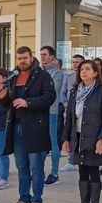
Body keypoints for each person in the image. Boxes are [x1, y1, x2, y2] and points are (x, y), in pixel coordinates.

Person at [0, 46, 56, 203]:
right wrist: (1, 98)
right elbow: (9, 103)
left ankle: (37, 201)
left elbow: (50, 97)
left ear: (31, 58)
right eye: (19, 58)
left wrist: (28, 103)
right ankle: (24, 199)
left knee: (36, 167)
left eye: (25, 58)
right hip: (15, 127)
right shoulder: (12, 77)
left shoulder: (42, 76)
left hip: (34, 128)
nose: (22, 61)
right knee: (22, 167)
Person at [62, 60, 102, 203]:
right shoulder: (74, 91)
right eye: (81, 69)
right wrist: (65, 138)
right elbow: (69, 118)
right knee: (82, 173)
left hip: (94, 138)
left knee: (93, 173)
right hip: (78, 137)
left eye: (87, 69)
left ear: (95, 73)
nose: (83, 72)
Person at [40, 45, 64, 187]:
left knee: (53, 142)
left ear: (52, 57)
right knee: (40, 143)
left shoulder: (57, 73)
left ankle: (54, 173)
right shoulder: (37, 72)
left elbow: (52, 92)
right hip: (37, 113)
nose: (42, 56)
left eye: (45, 54)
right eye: (41, 54)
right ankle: (39, 171)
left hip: (51, 112)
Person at [59, 54, 85, 173]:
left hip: (84, 113)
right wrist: (65, 104)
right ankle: (71, 161)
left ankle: (83, 160)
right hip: (70, 112)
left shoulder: (86, 77)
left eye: (77, 62)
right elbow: (63, 93)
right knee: (70, 136)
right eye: (73, 62)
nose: (75, 64)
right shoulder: (68, 77)